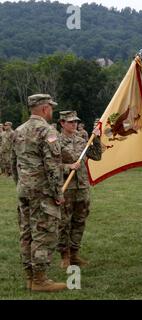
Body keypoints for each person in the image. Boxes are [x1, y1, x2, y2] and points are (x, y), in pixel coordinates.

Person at [11, 94, 66, 292]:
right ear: (44, 109)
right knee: (44, 233)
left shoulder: (17, 131)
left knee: (26, 233)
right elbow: (52, 165)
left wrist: (20, 184)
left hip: (24, 189)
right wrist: (58, 193)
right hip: (42, 191)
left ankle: (30, 277)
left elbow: (13, 163)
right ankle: (40, 280)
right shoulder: (46, 130)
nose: (51, 110)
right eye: (50, 107)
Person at [58, 111, 102, 268]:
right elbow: (49, 165)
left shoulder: (82, 139)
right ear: (62, 123)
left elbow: (97, 156)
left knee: (79, 220)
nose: (74, 124)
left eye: (75, 122)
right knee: (64, 222)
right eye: (70, 122)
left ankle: (74, 253)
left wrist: (96, 139)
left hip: (82, 187)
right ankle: (64, 255)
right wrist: (67, 167)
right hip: (66, 187)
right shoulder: (55, 141)